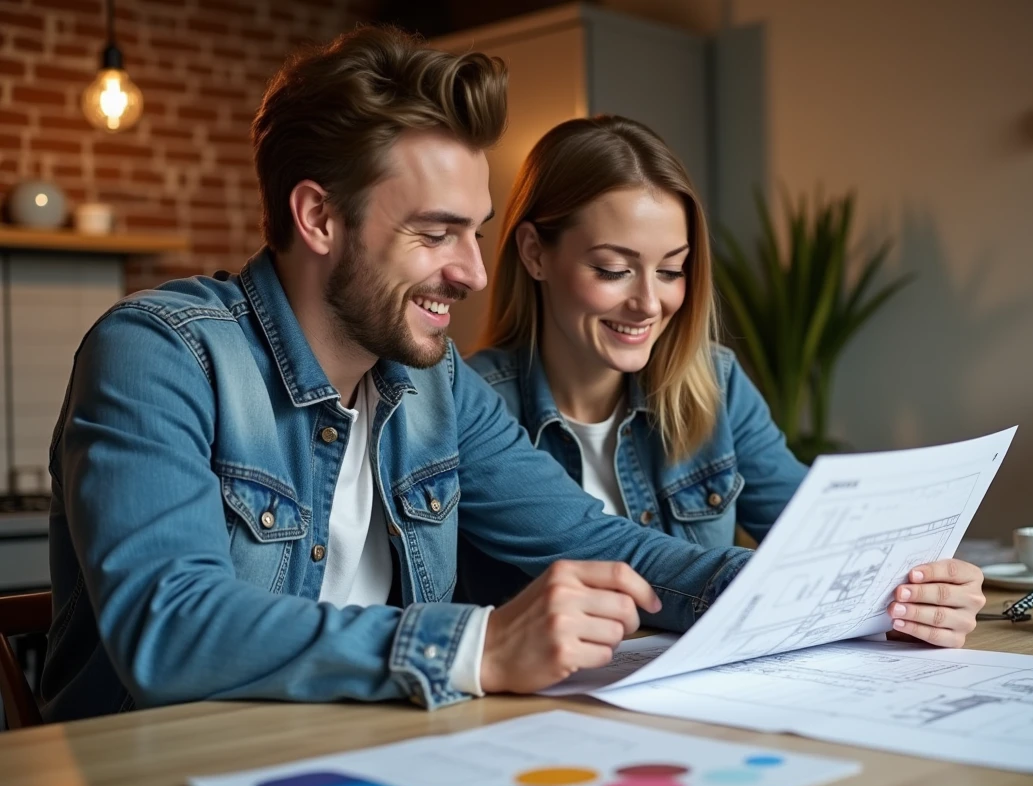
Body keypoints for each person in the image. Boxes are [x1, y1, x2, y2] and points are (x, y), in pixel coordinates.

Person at [39, 27, 759, 723]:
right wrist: (476, 645)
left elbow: (597, 542)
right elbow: (170, 625)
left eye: (474, 233)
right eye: (436, 233)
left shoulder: (435, 382)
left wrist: (787, 590)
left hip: (370, 758)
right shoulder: (160, 353)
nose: (474, 273)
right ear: (319, 217)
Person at [459, 115, 986, 647]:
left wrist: (921, 591)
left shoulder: (714, 383)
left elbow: (822, 538)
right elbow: (593, 552)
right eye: (614, 269)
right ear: (534, 253)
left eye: (671, 270)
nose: (648, 303)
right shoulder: (471, 406)